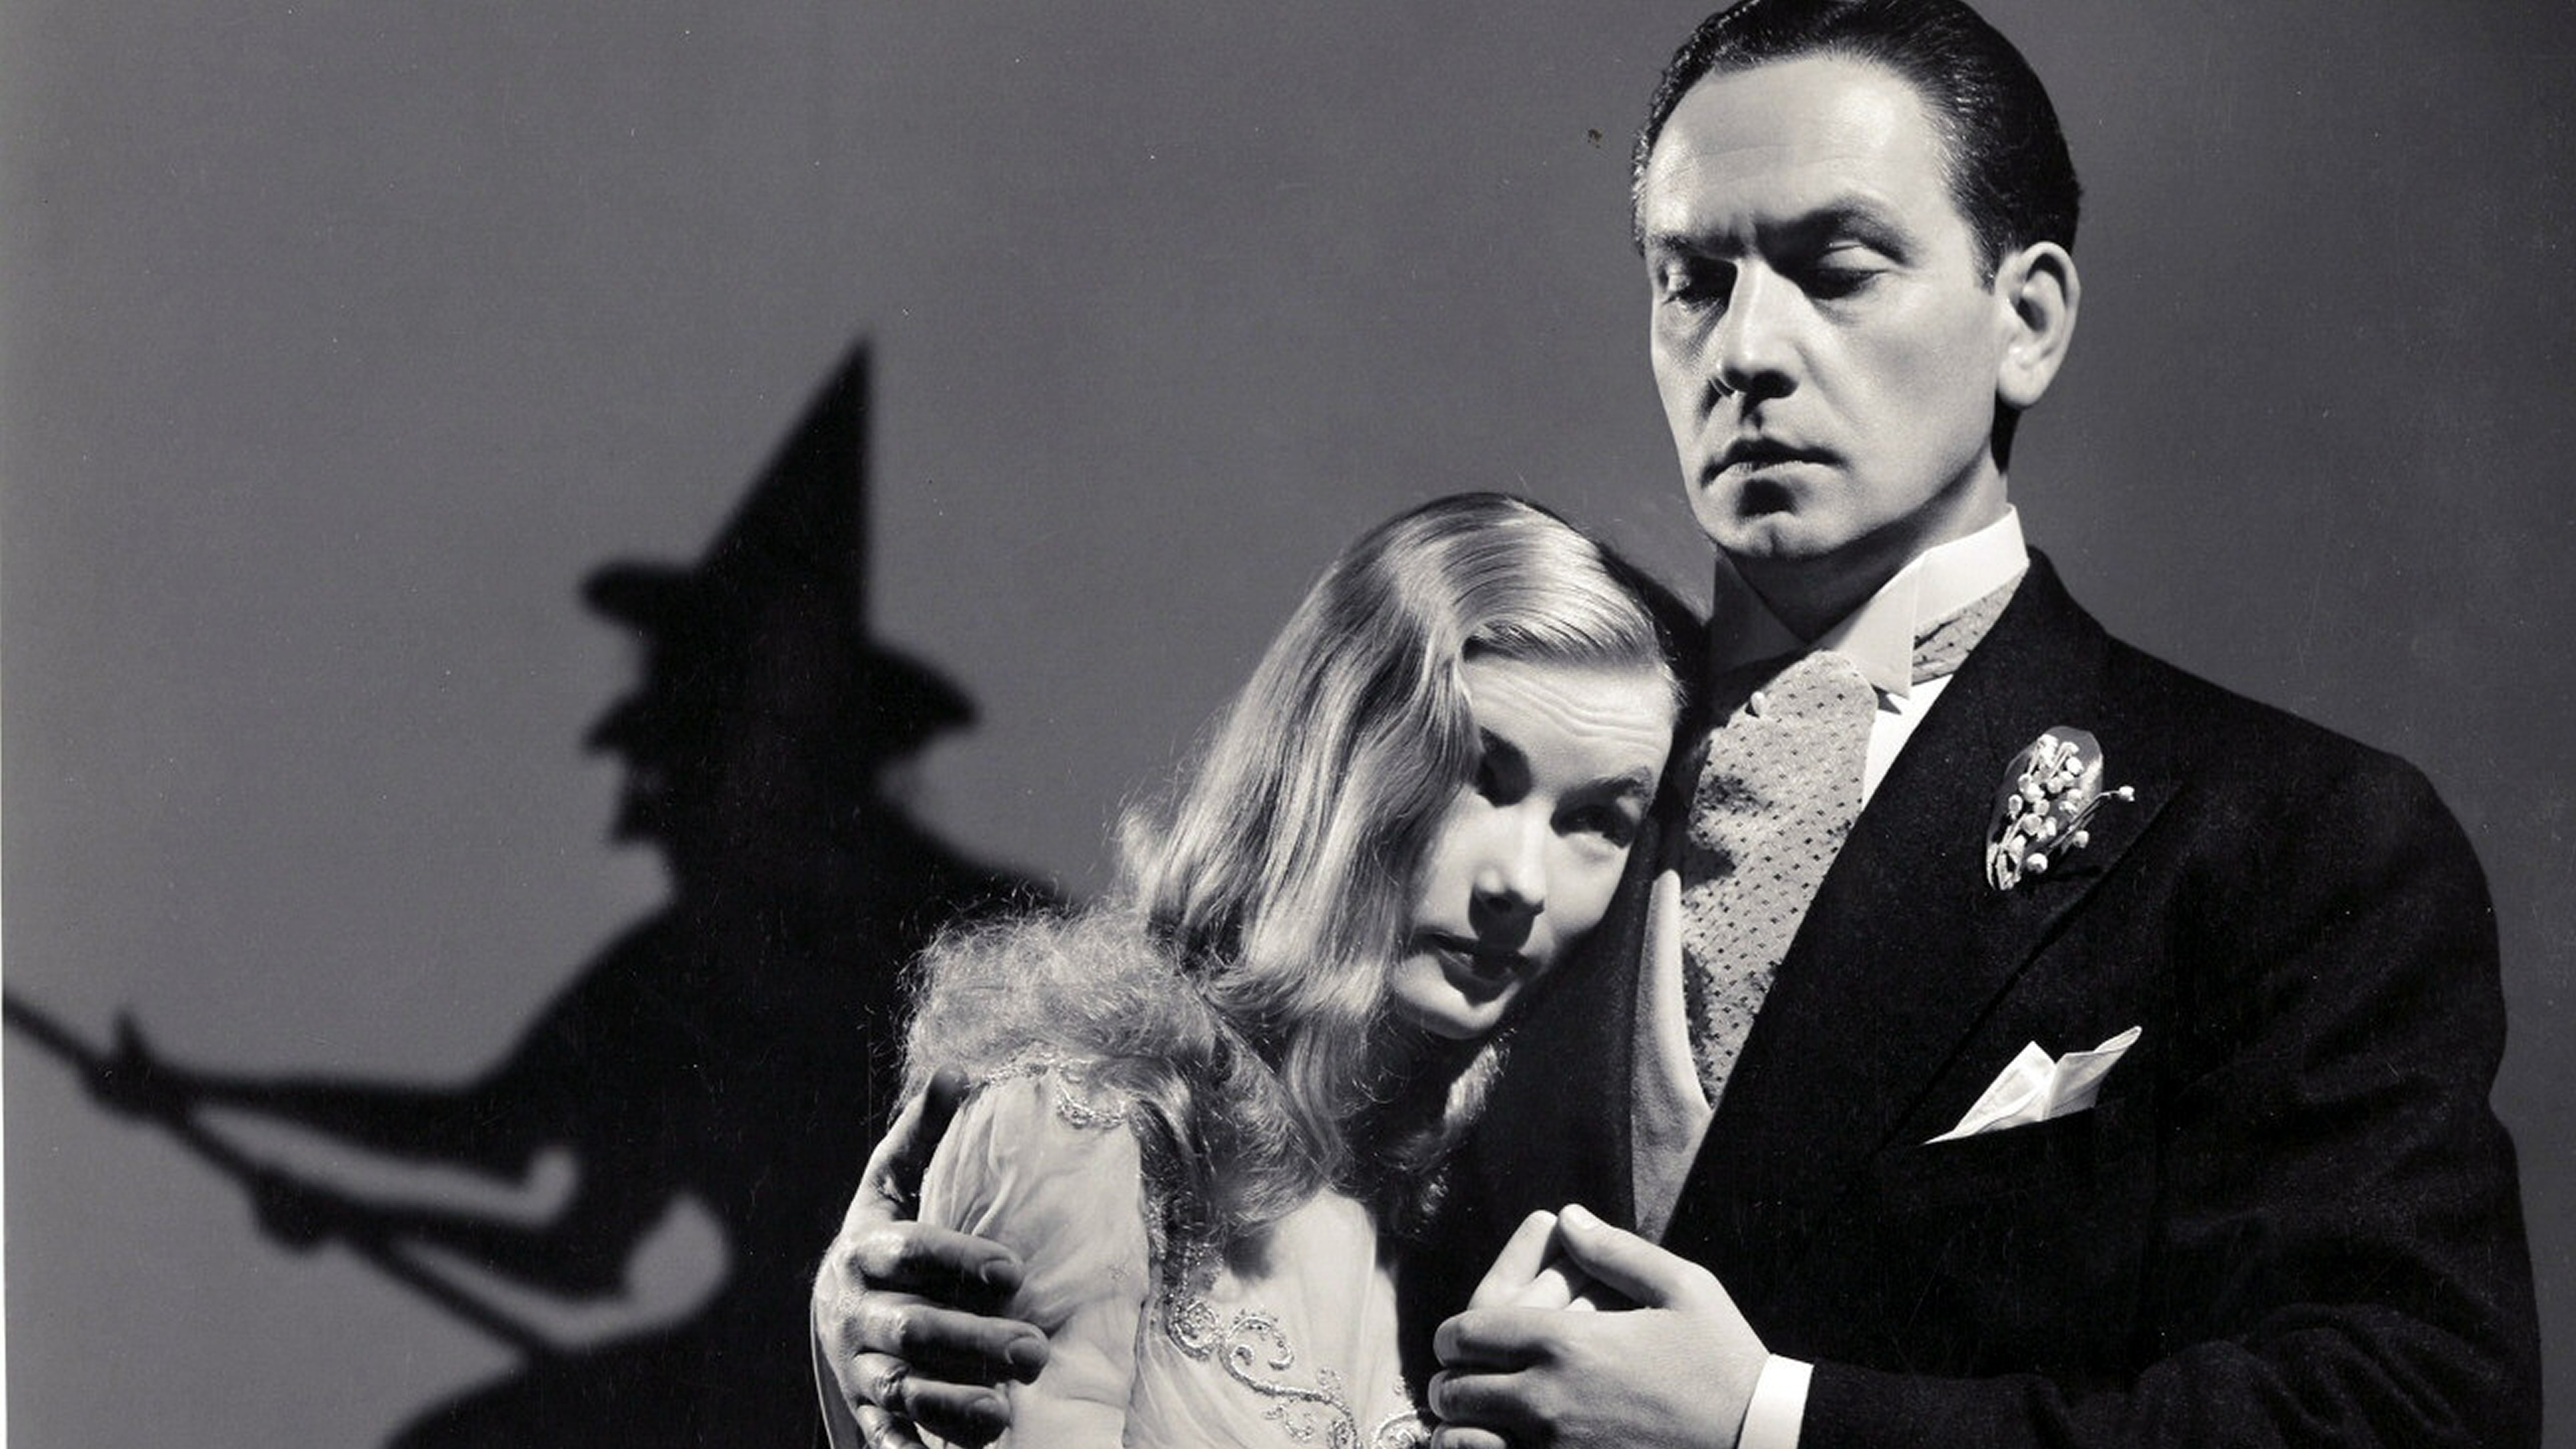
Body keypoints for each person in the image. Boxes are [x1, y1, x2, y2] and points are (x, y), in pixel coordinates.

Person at [816, 3, 2543, 1445]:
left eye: (1834, 269)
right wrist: (907, 1318)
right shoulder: (1507, 771)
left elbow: (2415, 1409)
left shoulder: (2292, 835)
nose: (1748, 350)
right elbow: (1223, 1181)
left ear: (2025, 319)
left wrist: (1773, 1422)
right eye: (1691, 280)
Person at [815, 492, 1685, 1447]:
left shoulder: (1462, 1198)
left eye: (1595, 821)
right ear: (1328, 757)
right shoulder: (1090, 1123)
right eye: (1474, 777)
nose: (1520, 882)